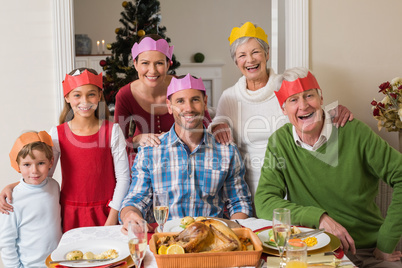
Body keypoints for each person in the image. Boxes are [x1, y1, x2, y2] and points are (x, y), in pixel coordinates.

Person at [255, 67, 402, 268]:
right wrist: (319, 217)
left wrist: (386, 243)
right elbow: (264, 201)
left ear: (321, 97)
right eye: (293, 100)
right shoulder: (279, 142)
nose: (304, 106)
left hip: (366, 251)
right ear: (283, 109)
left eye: (309, 96)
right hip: (311, 252)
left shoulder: (354, 131)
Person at [209, 22, 353, 200]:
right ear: (236, 62)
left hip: (292, 186)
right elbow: (217, 125)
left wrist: (335, 112)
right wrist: (217, 125)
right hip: (248, 191)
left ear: (267, 54)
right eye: (242, 55)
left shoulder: (286, 85)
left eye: (255, 52)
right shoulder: (229, 97)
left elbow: (310, 114)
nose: (250, 60)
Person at [0, 68, 131, 233]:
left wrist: (112, 217)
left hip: (107, 212)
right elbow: (44, 174)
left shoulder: (113, 131)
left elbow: (124, 178)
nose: (84, 101)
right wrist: (14, 186)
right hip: (70, 214)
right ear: (67, 97)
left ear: (99, 96)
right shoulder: (57, 133)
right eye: (77, 95)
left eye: (91, 94)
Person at [120, 74, 252, 233]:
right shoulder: (150, 151)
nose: (188, 108)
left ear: (205, 102)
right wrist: (130, 215)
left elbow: (239, 202)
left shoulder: (227, 151)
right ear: (169, 106)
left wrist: (233, 232)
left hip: (212, 239)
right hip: (166, 241)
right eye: (180, 101)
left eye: (195, 100)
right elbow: (135, 200)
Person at [114, 34, 211, 168]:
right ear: (135, 64)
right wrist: (137, 139)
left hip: (184, 157)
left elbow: (206, 125)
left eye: (159, 63)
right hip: (144, 160)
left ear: (168, 65)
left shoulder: (182, 86)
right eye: (145, 63)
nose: (152, 71)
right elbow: (118, 143)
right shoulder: (124, 95)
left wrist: (219, 124)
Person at [0, 131, 62, 267]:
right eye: (27, 165)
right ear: (18, 165)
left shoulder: (54, 186)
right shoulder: (11, 199)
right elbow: (6, 241)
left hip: (57, 262)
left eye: (40, 163)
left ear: (51, 162)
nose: (34, 170)